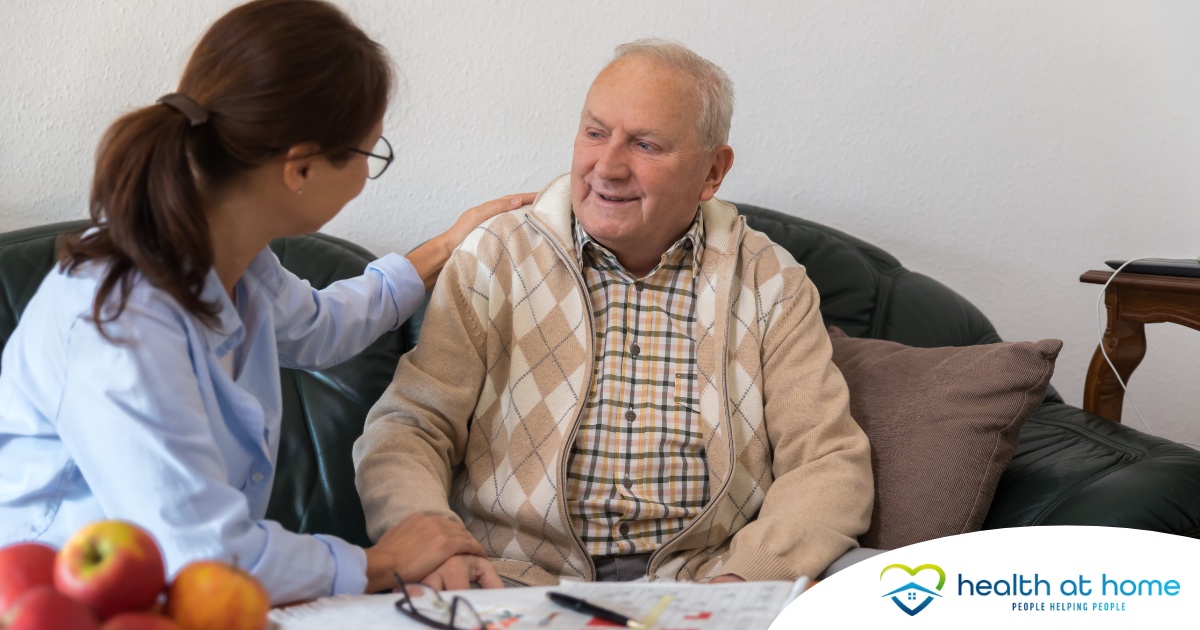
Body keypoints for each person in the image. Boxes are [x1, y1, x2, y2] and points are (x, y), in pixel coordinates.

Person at [0, 0, 521, 604]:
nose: (364, 176)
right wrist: (380, 562)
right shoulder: (119, 323)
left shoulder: (233, 257)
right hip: (61, 601)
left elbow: (322, 328)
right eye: (369, 154)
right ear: (299, 169)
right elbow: (199, 552)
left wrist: (449, 245)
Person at [353, 38, 874, 589]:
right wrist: (434, 542)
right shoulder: (496, 256)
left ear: (712, 173)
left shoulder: (772, 281)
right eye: (595, 133)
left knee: (882, 587)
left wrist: (746, 580)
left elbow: (827, 460)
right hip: (513, 577)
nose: (607, 167)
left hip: (709, 579)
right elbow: (411, 427)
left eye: (646, 145)